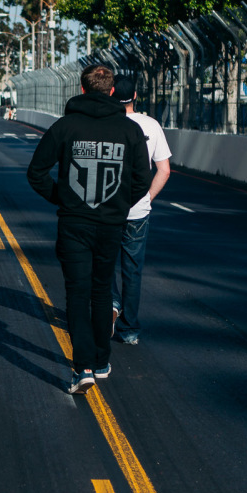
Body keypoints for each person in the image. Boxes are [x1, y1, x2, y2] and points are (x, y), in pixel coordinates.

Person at [26, 65, 152, 395]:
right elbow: (142, 179)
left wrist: (63, 198)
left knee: (77, 294)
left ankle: (82, 367)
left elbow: (36, 172)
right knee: (101, 292)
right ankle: (100, 361)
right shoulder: (130, 130)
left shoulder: (65, 126)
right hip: (111, 224)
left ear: (81, 89)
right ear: (111, 91)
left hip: (74, 222)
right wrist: (119, 205)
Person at [109, 77, 172, 345]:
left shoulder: (105, 124)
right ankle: (129, 329)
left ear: (111, 94)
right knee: (132, 270)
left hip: (107, 206)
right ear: (135, 96)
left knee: (103, 262)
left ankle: (112, 303)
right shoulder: (151, 125)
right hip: (138, 210)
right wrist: (147, 197)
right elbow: (164, 170)